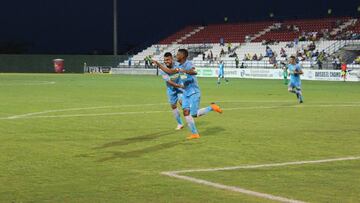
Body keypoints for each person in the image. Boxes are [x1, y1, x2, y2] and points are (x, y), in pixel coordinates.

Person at [156, 49, 223, 140]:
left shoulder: (188, 64)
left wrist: (184, 71)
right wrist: (159, 65)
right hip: (186, 92)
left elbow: (194, 72)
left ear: (183, 56)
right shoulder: (179, 66)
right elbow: (172, 73)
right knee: (186, 112)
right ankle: (194, 134)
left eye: (178, 54)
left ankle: (212, 107)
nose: (176, 56)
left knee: (194, 114)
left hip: (193, 91)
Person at [152, 53, 184, 130]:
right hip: (171, 89)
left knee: (181, 101)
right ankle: (180, 124)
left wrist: (184, 82)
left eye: (168, 59)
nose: (166, 61)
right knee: (173, 106)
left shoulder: (178, 64)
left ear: (172, 59)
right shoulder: (163, 69)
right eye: (165, 60)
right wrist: (179, 85)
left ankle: (190, 116)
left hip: (181, 87)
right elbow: (169, 81)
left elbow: (183, 73)